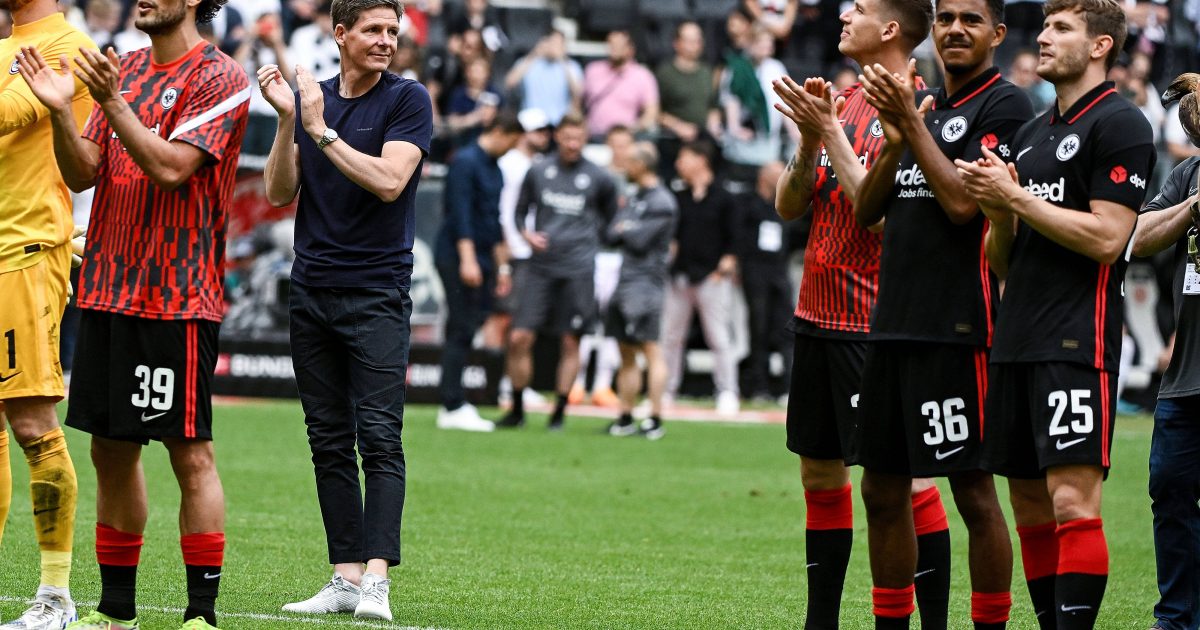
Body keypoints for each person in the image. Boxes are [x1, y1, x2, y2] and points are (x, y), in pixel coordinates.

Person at [20, 0, 249, 627]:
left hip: (176, 299)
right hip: (104, 291)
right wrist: (64, 110)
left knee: (188, 452)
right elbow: (82, 172)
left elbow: (172, 167)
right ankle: (115, 611)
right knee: (111, 453)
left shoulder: (221, 77)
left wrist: (110, 102)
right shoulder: (126, 70)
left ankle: (199, 614)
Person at [956, 0, 1156, 626]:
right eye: (1044, 26)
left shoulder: (1121, 124)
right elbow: (1005, 262)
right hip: (1015, 337)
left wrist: (1016, 197)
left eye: (1061, 28)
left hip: (1077, 338)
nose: (1042, 38)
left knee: (1072, 502)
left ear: (1100, 45)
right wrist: (998, 215)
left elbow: (1107, 237)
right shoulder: (1032, 133)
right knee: (1029, 504)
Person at [849, 0, 1035, 625]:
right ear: (931, 27)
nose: (956, 28)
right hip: (893, 321)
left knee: (974, 494)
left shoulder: (1003, 105)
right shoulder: (928, 108)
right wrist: (897, 140)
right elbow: (866, 211)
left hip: (958, 328)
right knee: (880, 489)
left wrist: (912, 127)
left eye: (972, 19)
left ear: (998, 33)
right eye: (946, 17)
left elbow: (963, 206)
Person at [770, 0, 952, 626]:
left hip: (873, 322)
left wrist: (832, 136)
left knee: (903, 487)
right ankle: (820, 619)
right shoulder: (841, 100)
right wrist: (807, 141)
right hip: (815, 315)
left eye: (862, 7)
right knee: (820, 475)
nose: (845, 14)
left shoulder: (918, 107)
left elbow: (872, 211)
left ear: (892, 29)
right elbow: (791, 206)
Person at [258, 0, 433, 621]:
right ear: (340, 34)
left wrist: (321, 128)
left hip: (377, 293)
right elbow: (280, 192)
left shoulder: (408, 100)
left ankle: (377, 583)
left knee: (380, 437)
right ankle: (345, 576)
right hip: (311, 290)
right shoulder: (311, 101)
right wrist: (288, 123)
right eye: (374, 29)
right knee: (328, 440)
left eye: (393, 30)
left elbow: (389, 181)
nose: (387, 39)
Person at [0, 0, 93, 625]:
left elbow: (7, 114)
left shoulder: (68, 46)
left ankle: (56, 595)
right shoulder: (9, 46)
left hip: (27, 250)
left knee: (32, 421)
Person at [496, 113, 619, 430]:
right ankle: (518, 408)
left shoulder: (598, 176)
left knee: (571, 341)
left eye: (579, 137)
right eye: (567, 137)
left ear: (586, 137)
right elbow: (520, 211)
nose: (573, 144)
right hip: (540, 267)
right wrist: (526, 234)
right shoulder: (538, 170)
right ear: (557, 138)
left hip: (578, 268)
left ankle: (559, 413)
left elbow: (611, 216)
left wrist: (589, 241)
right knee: (520, 336)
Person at [1131, 109, 1200, 630]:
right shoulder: (1186, 175)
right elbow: (1138, 234)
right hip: (1185, 378)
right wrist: (1193, 208)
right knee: (1170, 492)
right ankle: (1176, 620)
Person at [434, 112, 523, 432]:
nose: (511, 149)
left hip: (484, 256)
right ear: (500, 131)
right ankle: (452, 403)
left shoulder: (494, 168)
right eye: (511, 142)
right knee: (461, 326)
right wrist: (467, 259)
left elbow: (494, 219)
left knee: (469, 325)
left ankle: (454, 399)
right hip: (460, 255)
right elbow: (460, 214)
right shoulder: (466, 162)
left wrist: (501, 266)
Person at [662, 140, 741, 416]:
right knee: (671, 336)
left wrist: (725, 267)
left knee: (718, 337)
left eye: (684, 157)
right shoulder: (679, 197)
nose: (678, 164)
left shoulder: (724, 196)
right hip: (681, 275)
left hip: (712, 276)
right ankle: (664, 391)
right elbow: (673, 237)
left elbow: (734, 237)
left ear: (701, 159)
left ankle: (728, 391)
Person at [604, 142, 678, 439]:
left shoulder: (662, 202)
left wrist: (625, 229)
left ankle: (655, 418)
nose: (624, 165)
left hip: (646, 283)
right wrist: (624, 229)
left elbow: (637, 241)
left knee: (650, 349)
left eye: (630, 161)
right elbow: (610, 234)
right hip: (626, 281)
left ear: (643, 165)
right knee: (625, 349)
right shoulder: (635, 197)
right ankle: (625, 416)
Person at [734, 161, 792, 402]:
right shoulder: (747, 203)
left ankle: (788, 386)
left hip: (778, 269)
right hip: (754, 269)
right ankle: (759, 386)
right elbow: (738, 236)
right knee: (758, 326)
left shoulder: (784, 204)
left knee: (786, 327)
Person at [582, 30, 659, 141]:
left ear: (630, 49)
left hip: (625, 139)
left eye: (619, 45)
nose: (614, 49)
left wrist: (633, 128)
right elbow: (577, 103)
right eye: (611, 44)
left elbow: (651, 113)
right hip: (594, 136)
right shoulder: (593, 70)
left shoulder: (643, 76)